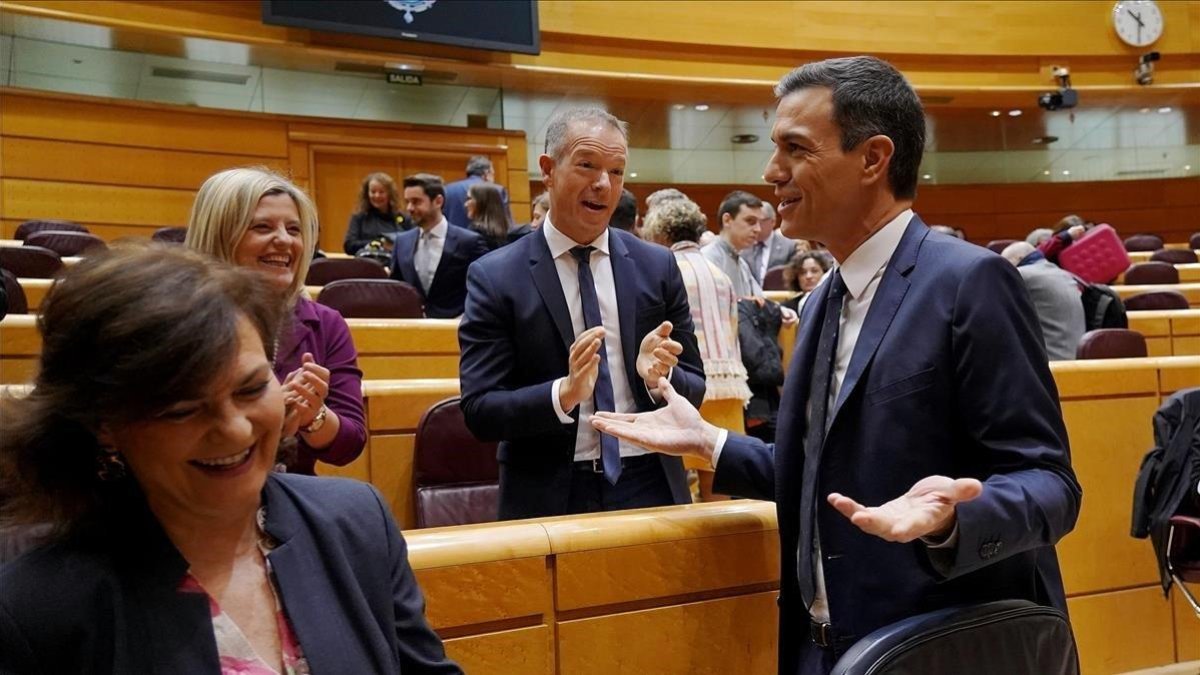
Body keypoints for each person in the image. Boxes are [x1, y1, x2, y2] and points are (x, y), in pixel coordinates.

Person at [592, 56, 1081, 674]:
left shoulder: (969, 282)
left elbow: (1050, 485)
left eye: (795, 149)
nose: (772, 172)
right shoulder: (822, 300)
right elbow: (829, 473)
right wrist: (709, 443)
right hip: (824, 649)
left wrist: (955, 519)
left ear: (874, 158)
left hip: (938, 648)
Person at [0, 245, 459, 674]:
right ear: (104, 423)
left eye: (252, 388)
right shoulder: (34, 608)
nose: (237, 429)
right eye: (183, 409)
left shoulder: (356, 522)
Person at [458, 107, 706, 520]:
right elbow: (480, 411)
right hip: (549, 491)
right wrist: (564, 394)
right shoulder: (495, 276)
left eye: (616, 171)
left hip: (651, 480)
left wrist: (657, 379)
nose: (603, 184)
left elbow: (695, 387)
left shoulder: (656, 266)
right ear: (547, 170)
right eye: (587, 165)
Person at [186, 167, 366, 476]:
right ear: (219, 233)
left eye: (294, 230)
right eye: (262, 227)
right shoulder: (174, 319)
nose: (284, 240)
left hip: (289, 494)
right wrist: (267, 415)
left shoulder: (325, 323)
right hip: (197, 493)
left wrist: (313, 415)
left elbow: (349, 444)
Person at [641, 197, 751, 403]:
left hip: (688, 386)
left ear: (660, 231)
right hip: (733, 383)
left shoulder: (667, 270)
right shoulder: (720, 273)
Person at [390, 173, 489, 318]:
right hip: (412, 328)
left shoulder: (469, 242)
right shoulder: (402, 242)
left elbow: (483, 289)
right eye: (407, 202)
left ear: (438, 201)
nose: (409, 208)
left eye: (416, 201)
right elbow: (396, 289)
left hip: (456, 327)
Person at [1001, 241, 1086, 361]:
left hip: (1050, 363)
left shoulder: (1022, 274)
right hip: (1076, 360)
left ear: (1018, 259)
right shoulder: (1063, 273)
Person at [702, 191, 766, 297]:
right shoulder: (708, 259)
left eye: (759, 223)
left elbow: (761, 300)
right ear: (727, 220)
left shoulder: (742, 263)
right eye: (750, 221)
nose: (758, 229)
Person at [343, 172, 412, 255]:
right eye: (373, 192)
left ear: (389, 194)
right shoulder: (359, 217)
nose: (377, 196)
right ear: (367, 194)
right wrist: (379, 243)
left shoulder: (403, 218)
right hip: (366, 264)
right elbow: (349, 245)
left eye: (381, 192)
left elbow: (413, 243)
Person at [443, 155, 513, 229]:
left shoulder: (447, 190)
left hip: (455, 239)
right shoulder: (497, 190)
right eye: (493, 174)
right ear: (487, 173)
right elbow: (507, 225)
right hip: (487, 239)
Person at [741, 202, 798, 285]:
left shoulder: (789, 246)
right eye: (752, 222)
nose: (755, 227)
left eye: (760, 222)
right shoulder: (743, 246)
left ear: (773, 221)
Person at [465, 181, 509, 250]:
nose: (466, 204)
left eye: (469, 199)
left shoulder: (474, 233)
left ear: (482, 202)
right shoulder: (507, 231)